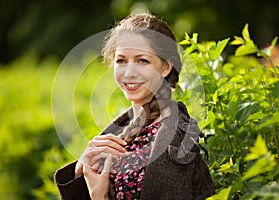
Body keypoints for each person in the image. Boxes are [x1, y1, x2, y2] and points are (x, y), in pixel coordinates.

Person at [54, 13, 214, 200]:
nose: (129, 72)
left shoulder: (175, 141)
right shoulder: (120, 130)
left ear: (165, 68)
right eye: (121, 60)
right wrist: (81, 168)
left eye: (142, 61)